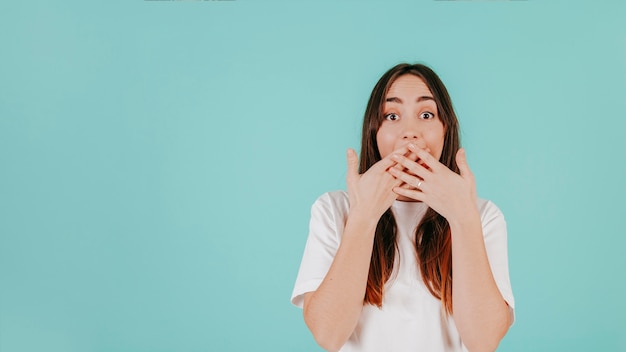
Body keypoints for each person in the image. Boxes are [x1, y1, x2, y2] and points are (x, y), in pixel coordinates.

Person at [291, 63, 515, 352]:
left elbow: (483, 342)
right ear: (374, 132)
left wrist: (462, 218)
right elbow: (327, 335)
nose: (410, 132)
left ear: (446, 130)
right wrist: (363, 216)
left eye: (426, 114)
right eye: (392, 116)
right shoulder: (334, 210)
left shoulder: (483, 216)